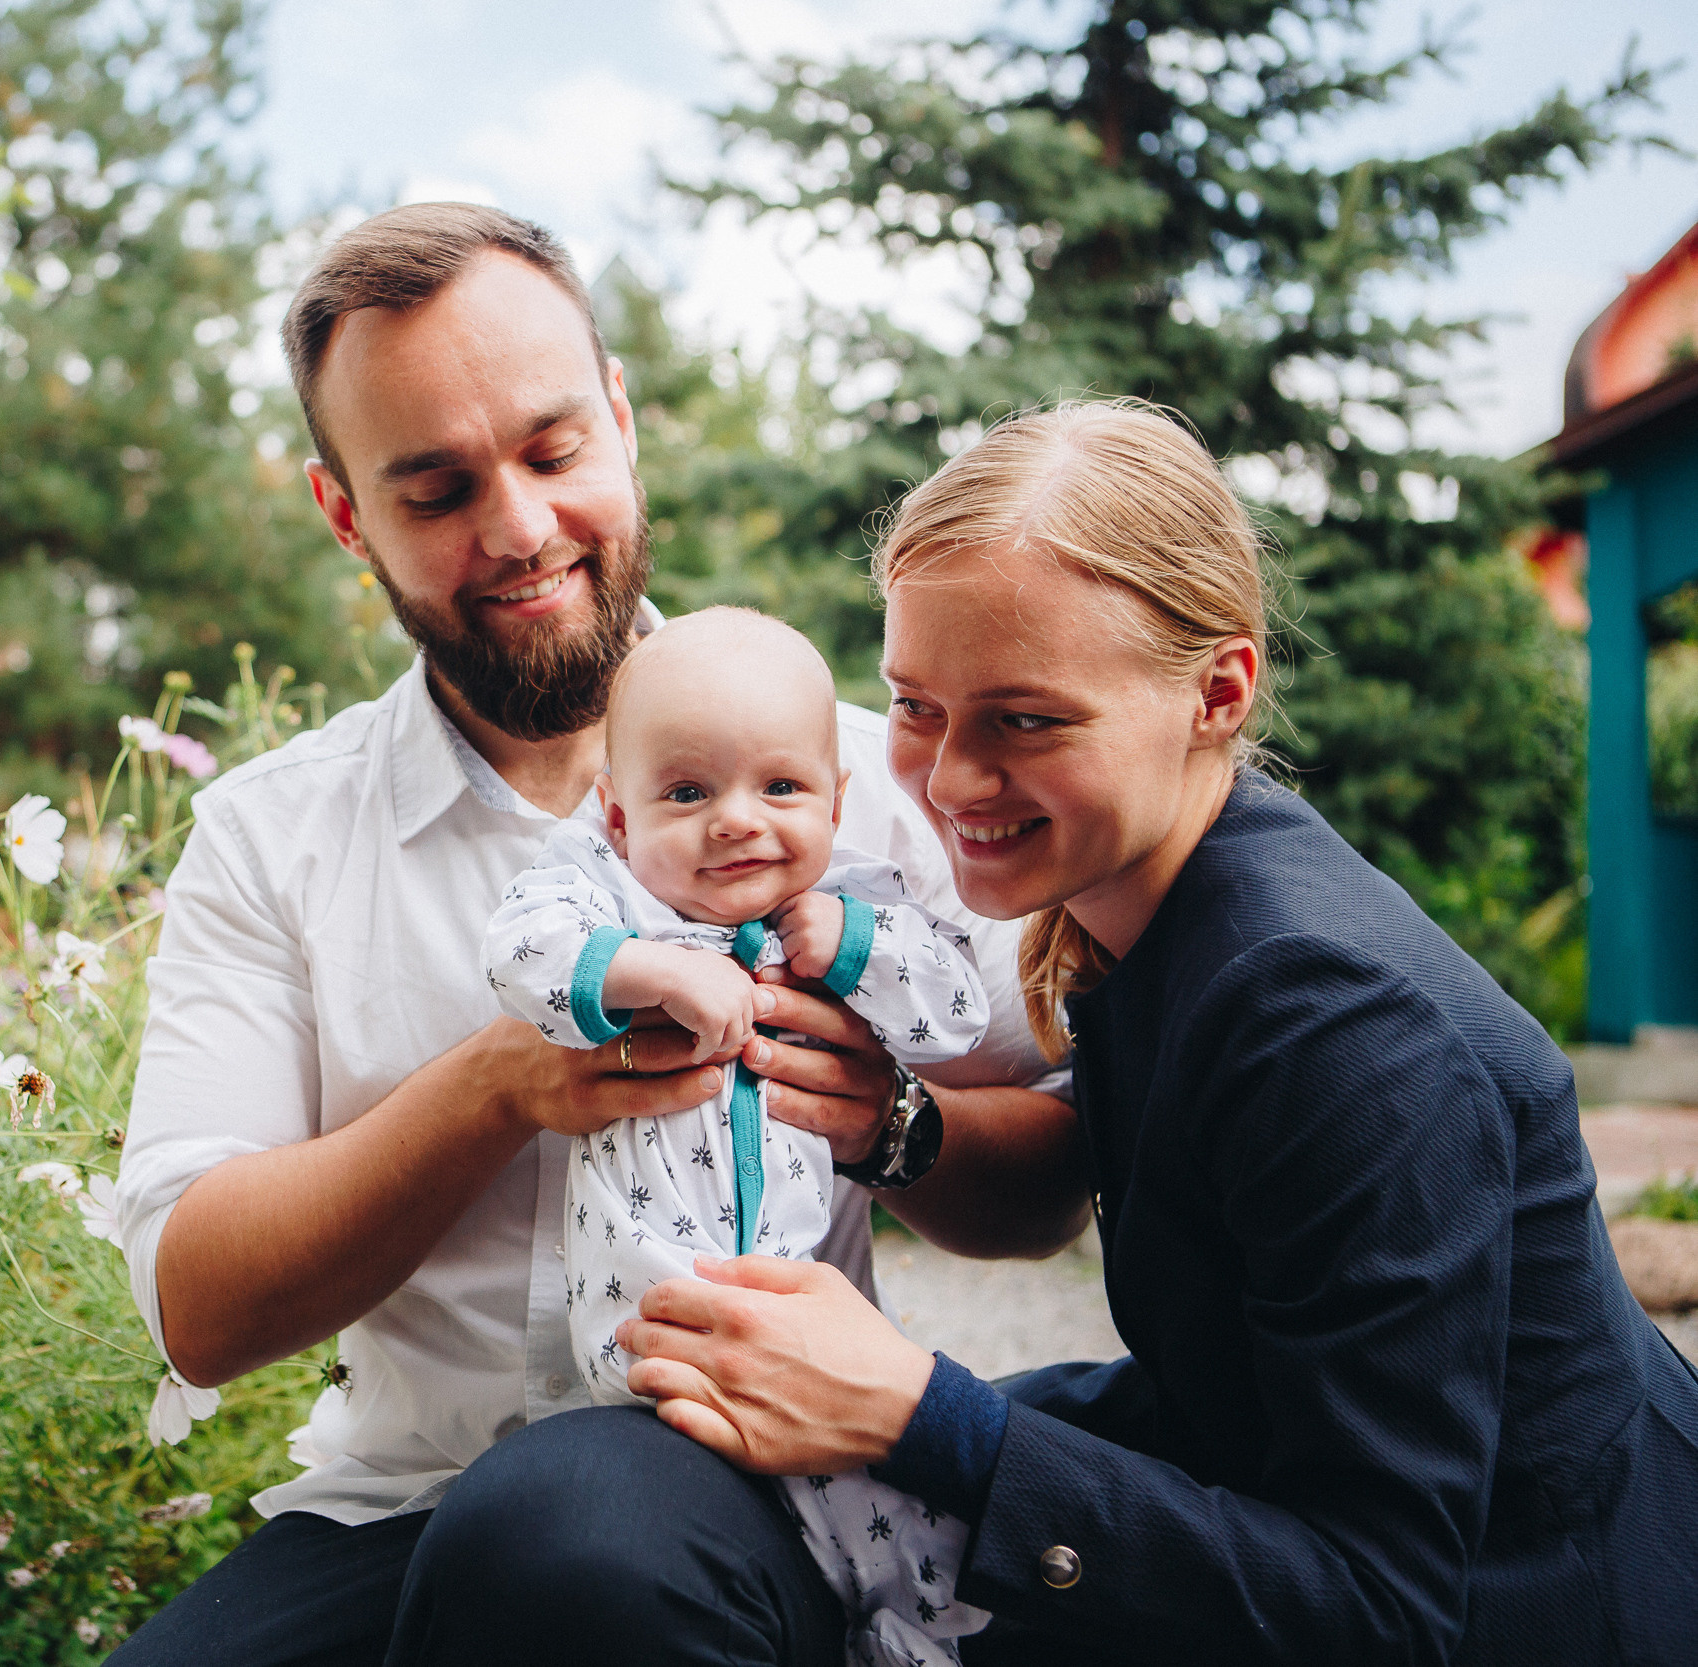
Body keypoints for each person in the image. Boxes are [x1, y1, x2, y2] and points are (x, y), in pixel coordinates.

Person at [109, 204, 1089, 1664]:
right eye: (435, 489)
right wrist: (496, 1085)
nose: (517, 528)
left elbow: (1056, 1176)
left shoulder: (871, 790)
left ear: (622, 424)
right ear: (344, 513)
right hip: (400, 1503)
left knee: (571, 1542)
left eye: (553, 452)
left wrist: (897, 1124)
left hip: (764, 1484)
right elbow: (199, 1302)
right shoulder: (274, 834)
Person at [601, 400, 1698, 1665]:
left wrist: (917, 1411)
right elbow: (1234, 1383)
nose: (949, 779)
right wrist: (888, 1124)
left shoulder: (1329, 1026)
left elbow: (1385, 1608)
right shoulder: (1143, 910)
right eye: (914, 706)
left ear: (1216, 691)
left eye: (1026, 718)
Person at [484, 605, 993, 1666]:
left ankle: (907, 1635)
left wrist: (853, 945)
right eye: (685, 792)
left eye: (780, 787)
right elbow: (519, 953)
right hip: (651, 1333)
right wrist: (648, 969)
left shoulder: (855, 897)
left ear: (834, 799)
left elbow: (954, 1012)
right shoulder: (603, 895)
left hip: (803, 1332)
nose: (736, 821)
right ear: (617, 815)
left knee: (897, 1513)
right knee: (644, 1536)